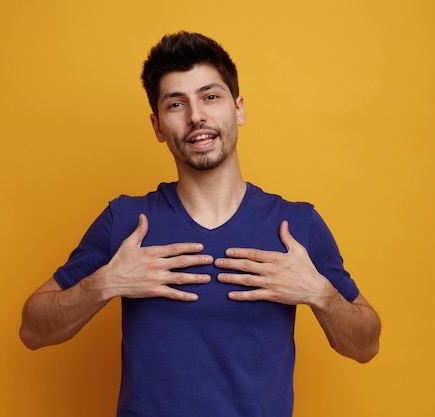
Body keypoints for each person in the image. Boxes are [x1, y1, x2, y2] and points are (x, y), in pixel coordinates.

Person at [20, 31, 381, 417]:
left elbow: (365, 345)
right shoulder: (125, 220)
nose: (196, 116)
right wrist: (106, 282)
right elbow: (33, 329)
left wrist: (319, 294)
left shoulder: (296, 225)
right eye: (176, 104)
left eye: (210, 97)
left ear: (238, 109)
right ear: (158, 126)